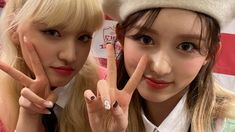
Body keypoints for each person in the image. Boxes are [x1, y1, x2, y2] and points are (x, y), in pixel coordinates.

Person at [84, 0, 235, 132]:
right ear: (121, 37)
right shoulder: (87, 113)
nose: (160, 68)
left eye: (186, 46)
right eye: (145, 39)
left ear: (210, 53)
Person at [0, 0, 103, 131]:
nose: (70, 56)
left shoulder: (105, 90)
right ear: (14, 29)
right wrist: (28, 120)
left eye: (84, 37)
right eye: (52, 33)